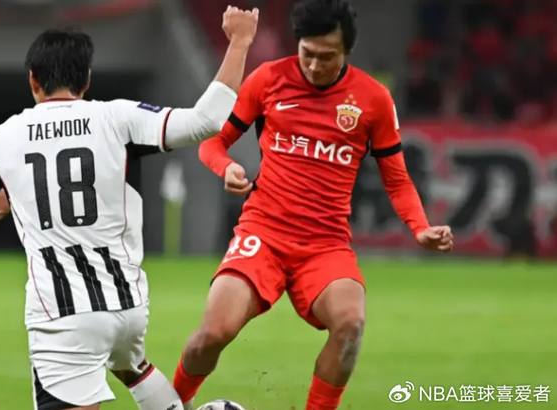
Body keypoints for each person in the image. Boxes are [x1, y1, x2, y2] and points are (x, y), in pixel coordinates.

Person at [0, 10, 259, 410]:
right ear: (87, 80)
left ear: (33, 81)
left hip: (63, 315)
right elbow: (205, 121)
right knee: (132, 366)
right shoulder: (115, 117)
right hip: (126, 305)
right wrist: (240, 43)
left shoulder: (3, 139)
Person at [172, 1, 454, 410]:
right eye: (307, 53)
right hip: (262, 234)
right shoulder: (268, 79)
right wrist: (227, 167)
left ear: (347, 52)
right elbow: (212, 143)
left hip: (325, 245)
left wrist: (420, 228)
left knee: (351, 324)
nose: (315, 65)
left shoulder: (373, 99)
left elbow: (397, 179)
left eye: (327, 56)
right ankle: (170, 404)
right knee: (214, 333)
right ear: (297, 44)